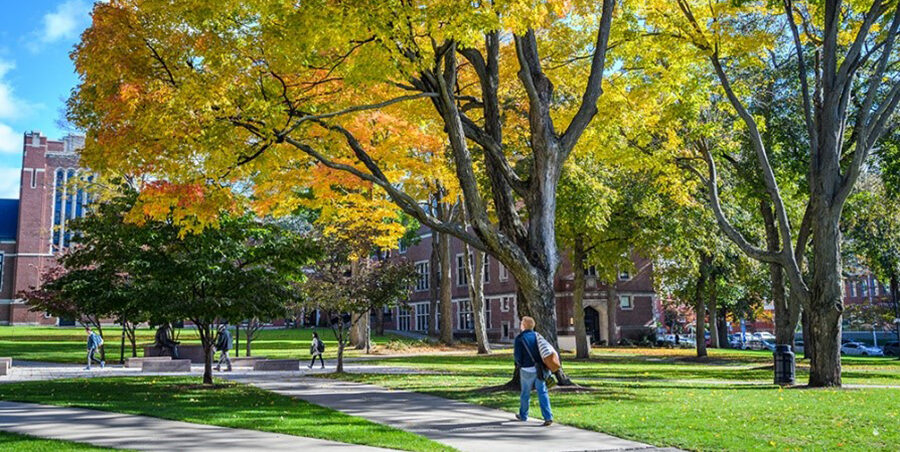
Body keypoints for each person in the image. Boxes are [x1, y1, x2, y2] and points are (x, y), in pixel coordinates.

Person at [513, 316, 553, 426]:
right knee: (542, 392)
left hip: (526, 369)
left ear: (524, 325)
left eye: (521, 323)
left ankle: (523, 415)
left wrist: (520, 364)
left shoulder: (520, 338)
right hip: (540, 369)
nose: (520, 324)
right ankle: (548, 416)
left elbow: (517, 356)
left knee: (525, 393)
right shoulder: (538, 336)